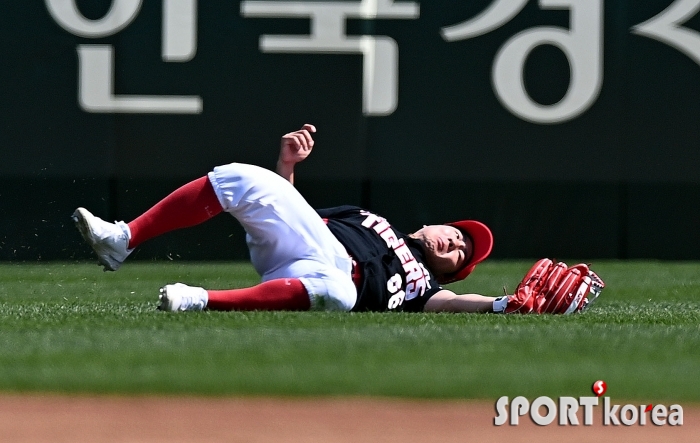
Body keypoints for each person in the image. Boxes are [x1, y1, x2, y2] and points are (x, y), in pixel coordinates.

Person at [73, 124, 519, 314]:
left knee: (338, 293)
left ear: (452, 274)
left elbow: (459, 304)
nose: (454, 245)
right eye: (458, 235)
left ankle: (202, 300)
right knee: (243, 176)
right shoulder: (370, 217)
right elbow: (295, 213)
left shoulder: (426, 287)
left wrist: (502, 305)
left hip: (330, 278)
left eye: (460, 254)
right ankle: (122, 239)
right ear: (436, 225)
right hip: (306, 245)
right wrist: (286, 168)